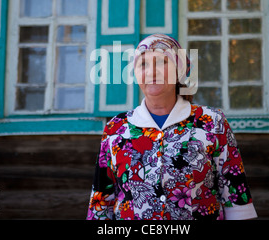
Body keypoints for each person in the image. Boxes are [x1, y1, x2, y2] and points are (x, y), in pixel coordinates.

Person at [86, 34, 257, 220]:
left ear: (180, 69)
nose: (151, 72)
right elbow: (100, 205)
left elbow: (237, 203)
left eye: (161, 62)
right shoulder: (116, 129)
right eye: (143, 64)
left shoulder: (212, 122)